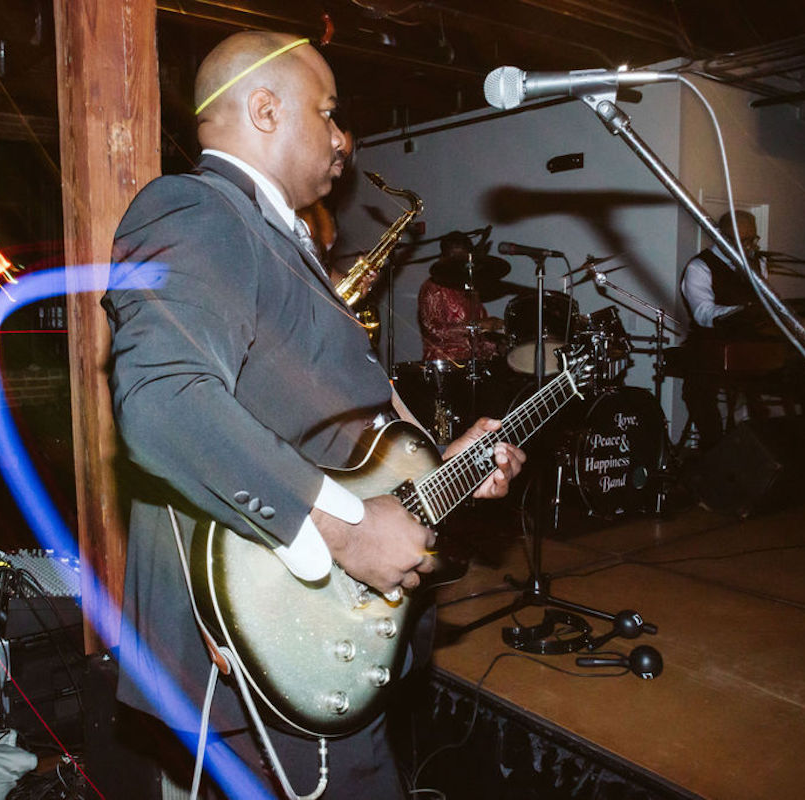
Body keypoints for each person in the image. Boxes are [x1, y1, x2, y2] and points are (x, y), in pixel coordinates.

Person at [104, 31, 525, 798]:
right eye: (328, 113)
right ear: (264, 109)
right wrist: (347, 528)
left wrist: (446, 459)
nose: (344, 138)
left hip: (317, 634)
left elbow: (331, 434)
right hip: (265, 650)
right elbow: (162, 401)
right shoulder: (197, 210)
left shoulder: (277, 242)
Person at [679, 209, 768, 449]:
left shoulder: (758, 263)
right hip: (709, 346)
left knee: (763, 398)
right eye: (741, 240)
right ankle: (714, 449)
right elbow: (703, 314)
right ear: (721, 237)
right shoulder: (699, 267)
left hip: (748, 348)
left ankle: (755, 447)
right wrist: (739, 311)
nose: (748, 246)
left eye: (752, 239)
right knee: (699, 394)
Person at [417, 231, 502, 362]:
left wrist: (498, 347)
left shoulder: (471, 288)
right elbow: (434, 330)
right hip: (446, 366)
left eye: (461, 259)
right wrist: (477, 326)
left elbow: (479, 339)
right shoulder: (433, 287)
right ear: (443, 258)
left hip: (472, 366)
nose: (456, 264)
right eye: (453, 258)